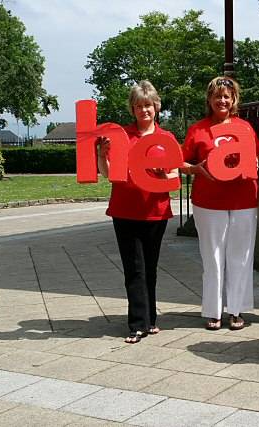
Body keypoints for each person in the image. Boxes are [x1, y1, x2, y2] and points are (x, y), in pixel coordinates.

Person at [180, 76, 259, 331]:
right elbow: (181, 163)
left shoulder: (245, 127)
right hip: (209, 201)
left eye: (227, 96)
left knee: (241, 257)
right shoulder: (198, 129)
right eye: (218, 96)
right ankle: (213, 311)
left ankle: (236, 310)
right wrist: (195, 168)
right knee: (212, 258)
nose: (222, 100)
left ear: (234, 99)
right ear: (210, 100)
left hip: (243, 199)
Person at [97, 80, 178, 344]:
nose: (144, 110)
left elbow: (175, 176)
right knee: (134, 268)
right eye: (139, 106)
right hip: (125, 210)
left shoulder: (166, 138)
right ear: (132, 109)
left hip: (155, 211)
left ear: (156, 107)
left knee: (150, 268)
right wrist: (101, 154)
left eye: (148, 105)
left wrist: (164, 173)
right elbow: (110, 174)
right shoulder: (122, 137)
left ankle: (150, 319)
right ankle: (137, 324)